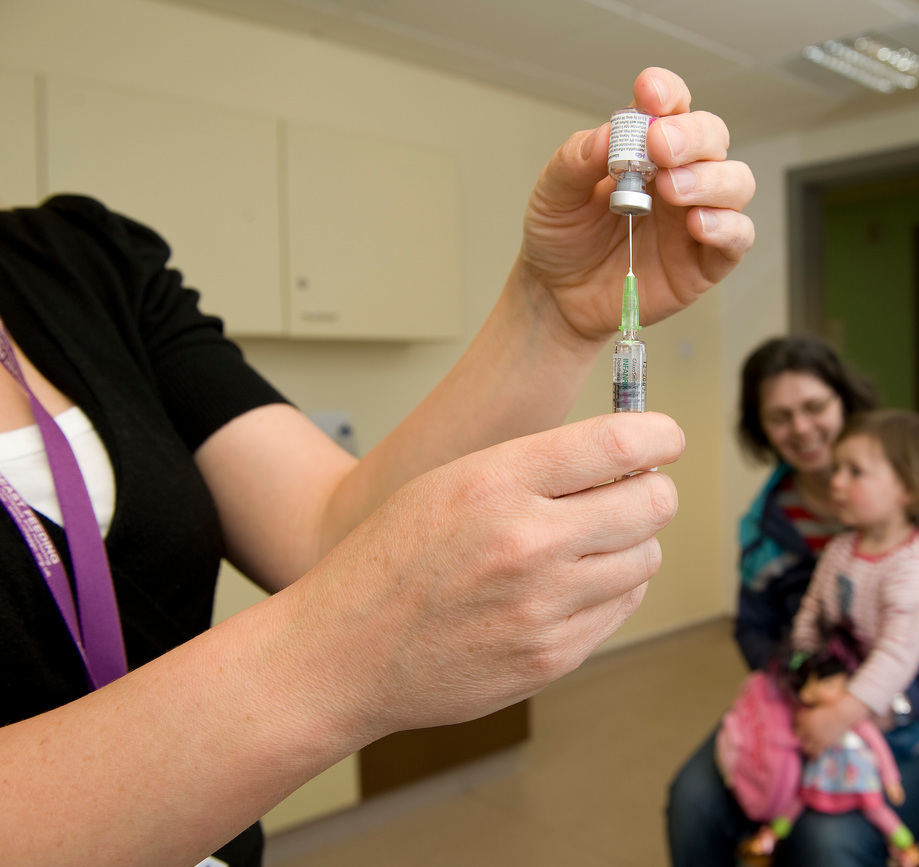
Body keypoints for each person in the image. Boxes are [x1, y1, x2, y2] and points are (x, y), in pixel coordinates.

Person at [0, 67, 754, 867]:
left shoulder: (75, 264)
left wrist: (555, 309)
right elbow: (354, 585)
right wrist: (339, 652)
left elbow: (331, 530)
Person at [666, 335, 919, 867]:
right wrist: (807, 684)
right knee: (692, 801)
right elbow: (755, 628)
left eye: (814, 406)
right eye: (780, 417)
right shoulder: (768, 526)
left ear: (844, 402)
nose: (801, 428)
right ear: (762, 429)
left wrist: (884, 703)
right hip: (812, 694)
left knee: (827, 842)